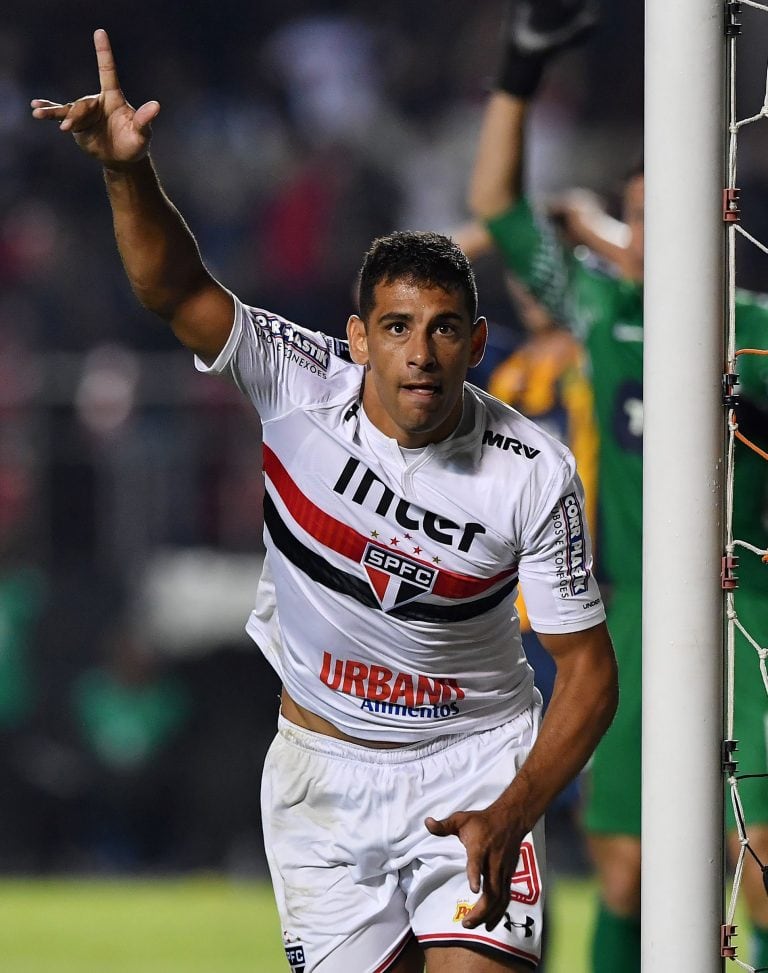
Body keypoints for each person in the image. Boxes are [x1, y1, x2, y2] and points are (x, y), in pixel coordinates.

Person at [31, 28, 618, 973]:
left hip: (474, 761)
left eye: (442, 331)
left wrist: (515, 809)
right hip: (321, 779)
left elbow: (588, 672)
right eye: (396, 328)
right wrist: (126, 175)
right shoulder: (298, 381)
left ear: (476, 344)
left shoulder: (531, 468)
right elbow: (173, 286)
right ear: (357, 338)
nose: (419, 353)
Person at [467, 3, 768, 970]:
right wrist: (520, 70)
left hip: (754, 608)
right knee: (631, 872)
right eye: (634, 216)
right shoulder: (603, 308)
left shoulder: (757, 325)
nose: (645, 233)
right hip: (634, 610)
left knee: (757, 867)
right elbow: (501, 204)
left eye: (662, 212)